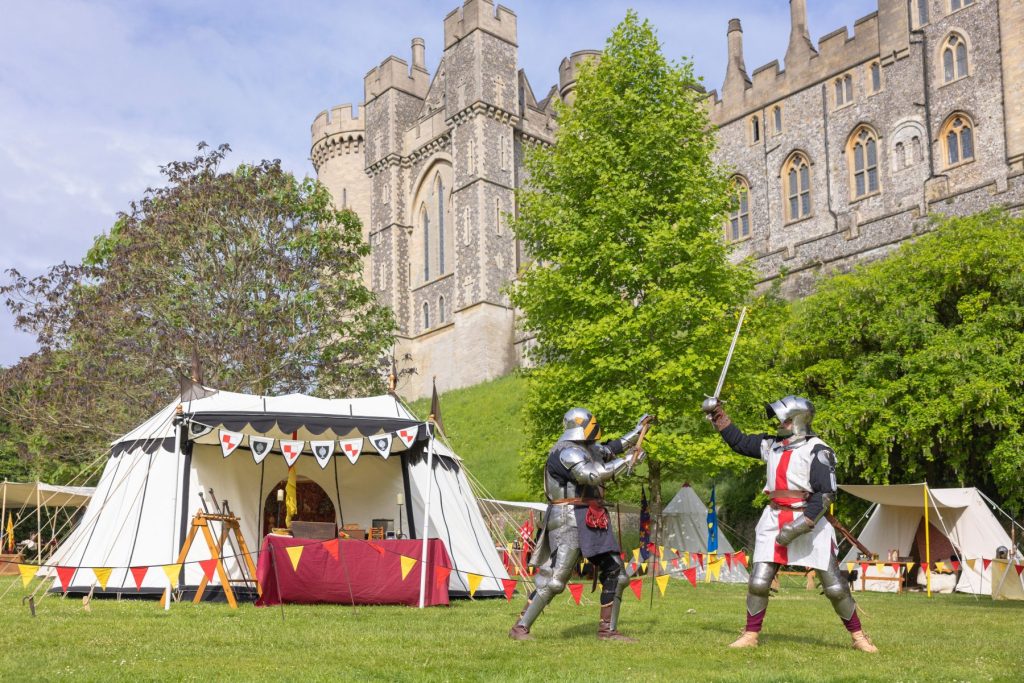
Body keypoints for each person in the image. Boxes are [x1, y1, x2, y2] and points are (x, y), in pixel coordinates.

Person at [702, 395, 878, 653]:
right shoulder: (772, 445)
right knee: (759, 582)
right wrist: (718, 415)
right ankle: (751, 634)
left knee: (835, 586)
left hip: (810, 520)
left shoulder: (819, 450)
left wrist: (800, 525)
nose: (778, 423)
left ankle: (859, 637)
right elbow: (739, 442)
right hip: (774, 517)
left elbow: (825, 494)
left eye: (783, 419)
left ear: (798, 420)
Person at [509, 408, 650, 641]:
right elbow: (592, 475)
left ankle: (608, 631)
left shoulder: (589, 448)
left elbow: (612, 448)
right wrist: (627, 461)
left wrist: (639, 428)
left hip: (592, 516)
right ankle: (520, 627)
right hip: (568, 517)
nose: (595, 428)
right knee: (555, 580)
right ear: (581, 426)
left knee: (618, 573)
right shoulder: (566, 453)